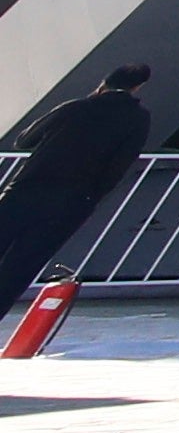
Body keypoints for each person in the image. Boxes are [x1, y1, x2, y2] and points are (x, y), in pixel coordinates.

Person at [0, 65, 161, 315]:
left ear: (103, 83)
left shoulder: (75, 107)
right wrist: (90, 197)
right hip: (71, 202)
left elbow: (24, 140)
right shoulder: (138, 119)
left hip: (24, 190)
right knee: (21, 266)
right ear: (137, 88)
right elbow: (118, 166)